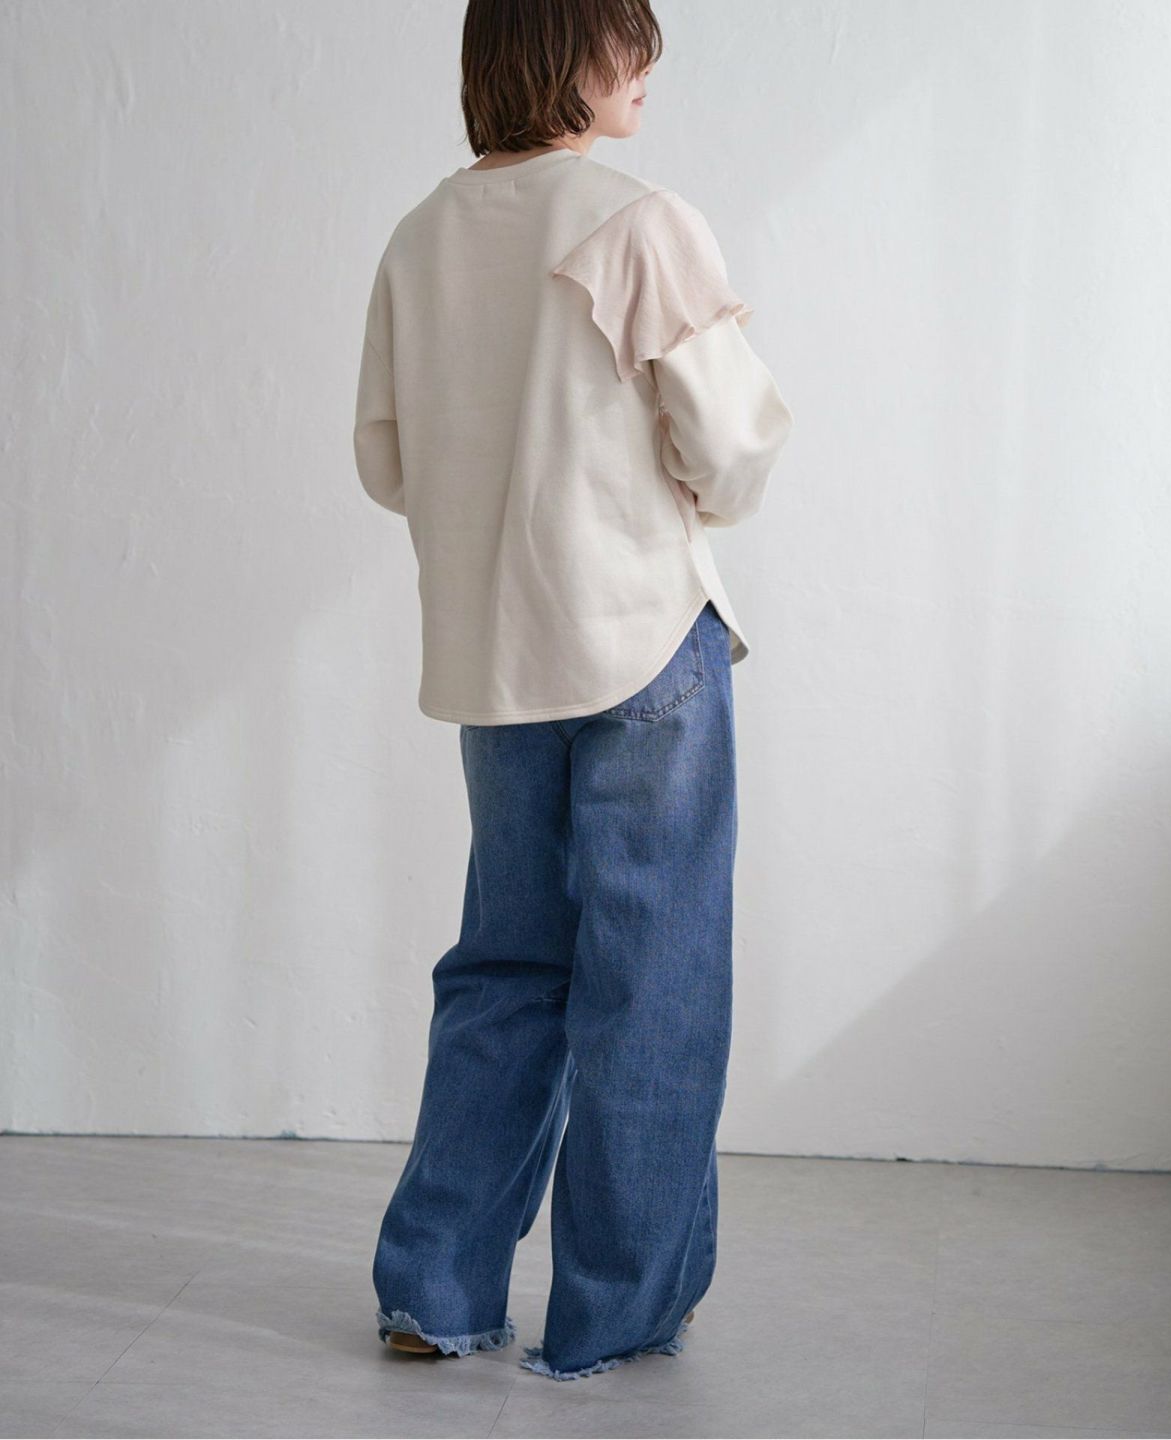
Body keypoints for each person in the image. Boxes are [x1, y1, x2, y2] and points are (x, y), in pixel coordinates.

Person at [353, 0, 793, 1382]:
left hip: (497, 656)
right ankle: (613, 1313)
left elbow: (386, 462)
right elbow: (732, 450)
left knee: (506, 965)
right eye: (624, 42)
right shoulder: (636, 221)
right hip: (639, 641)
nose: (646, 68)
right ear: (566, 55)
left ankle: (435, 1288)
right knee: (651, 984)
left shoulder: (420, 237)